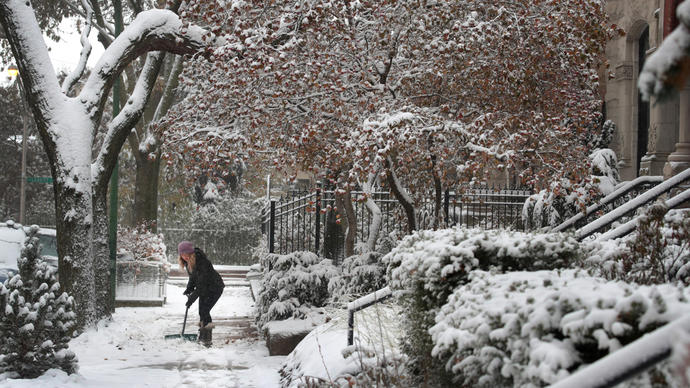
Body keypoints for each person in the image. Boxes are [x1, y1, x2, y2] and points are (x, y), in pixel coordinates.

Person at [177, 241, 225, 346]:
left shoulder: (202, 262)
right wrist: (189, 288)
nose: (184, 256)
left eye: (186, 254)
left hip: (214, 287)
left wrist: (191, 299)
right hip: (205, 288)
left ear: (191, 253)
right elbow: (193, 277)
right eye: (182, 254)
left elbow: (201, 284)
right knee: (202, 311)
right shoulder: (189, 262)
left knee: (204, 310)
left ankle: (207, 338)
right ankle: (203, 335)